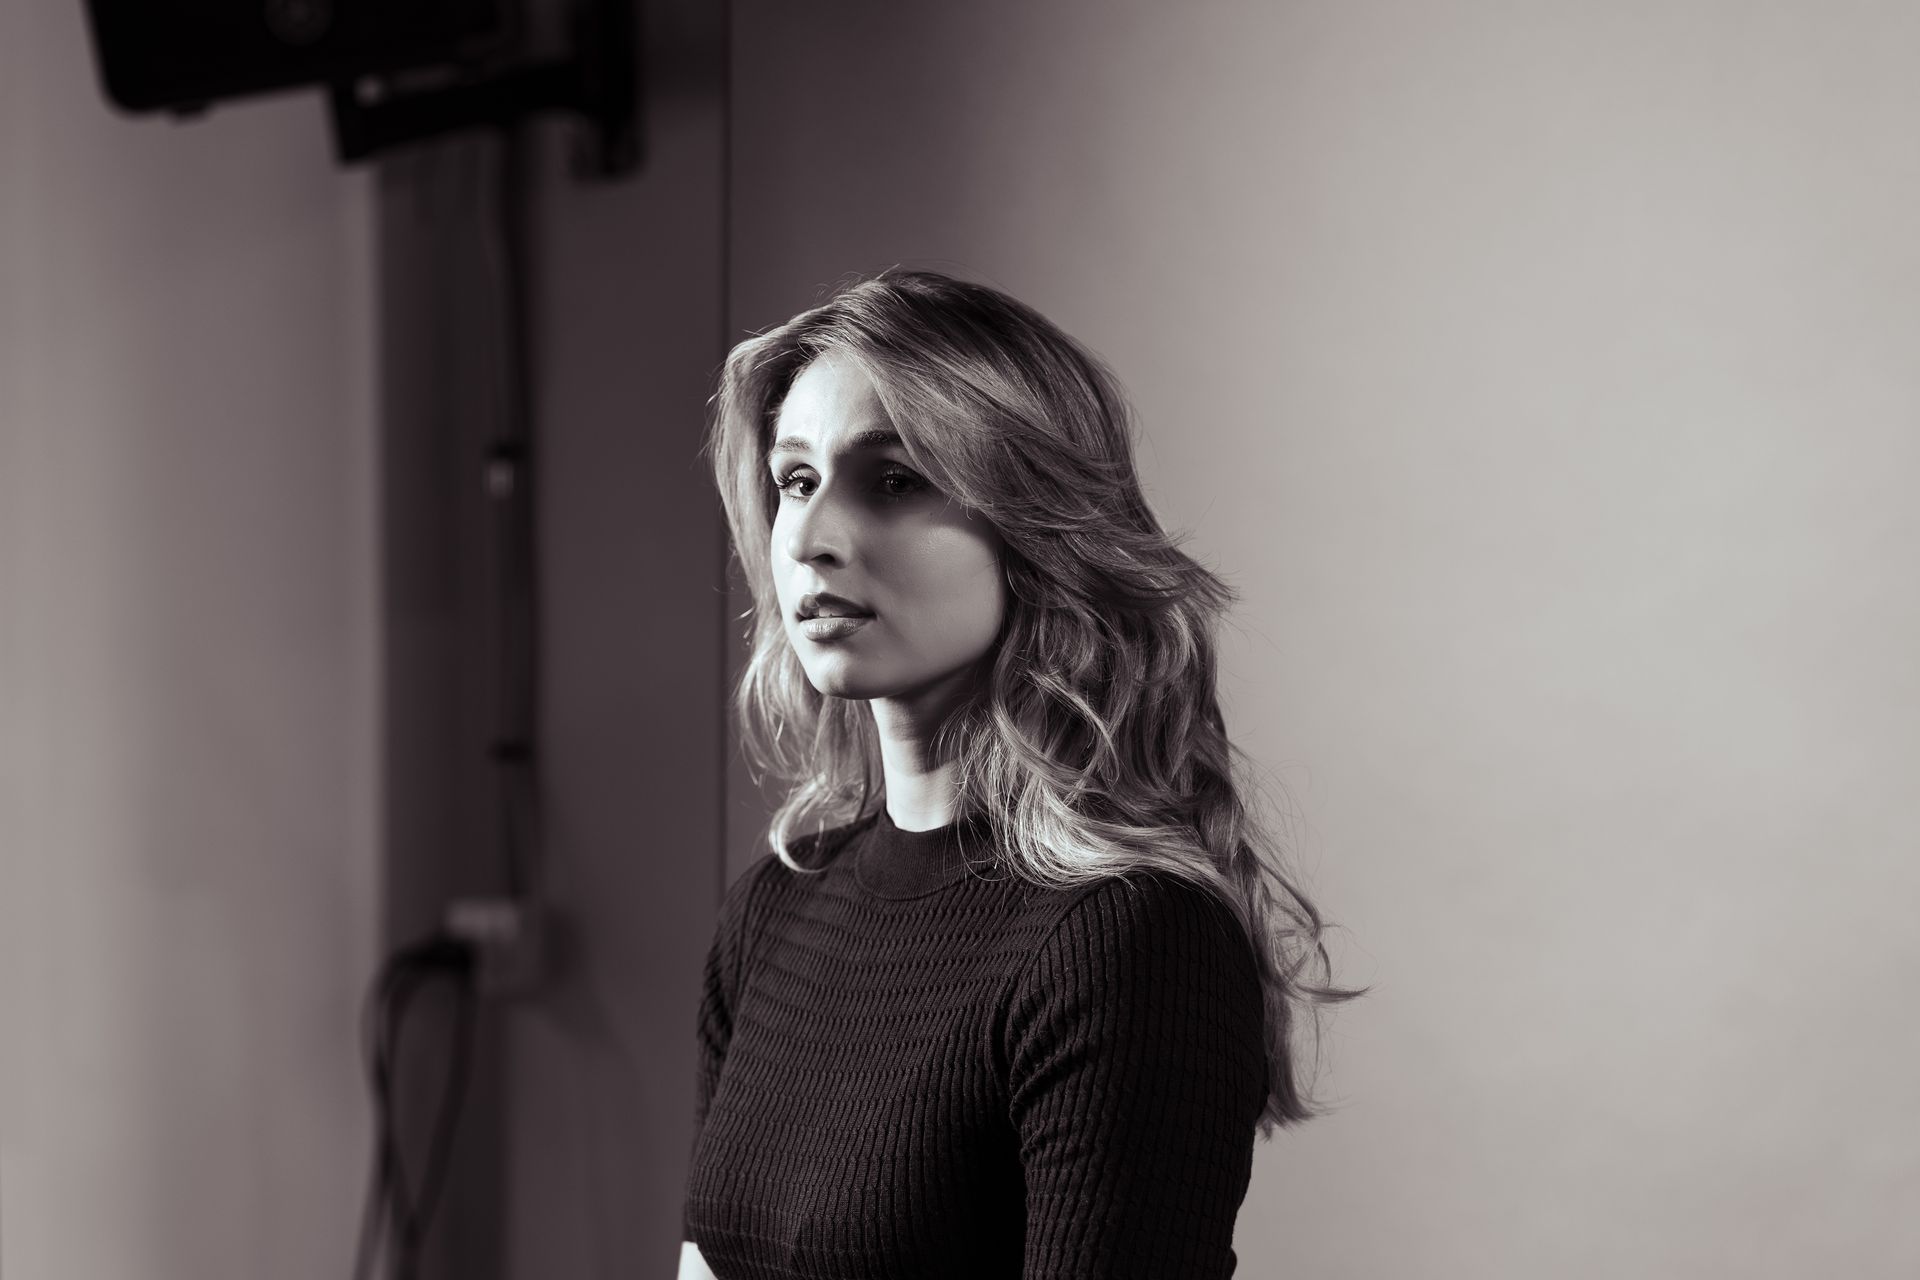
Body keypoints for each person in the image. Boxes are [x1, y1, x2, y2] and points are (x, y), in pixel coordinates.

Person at [678, 268, 1365, 1279]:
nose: (813, 541)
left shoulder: (1128, 940)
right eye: (796, 480)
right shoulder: (772, 914)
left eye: (897, 479)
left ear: (1032, 524)